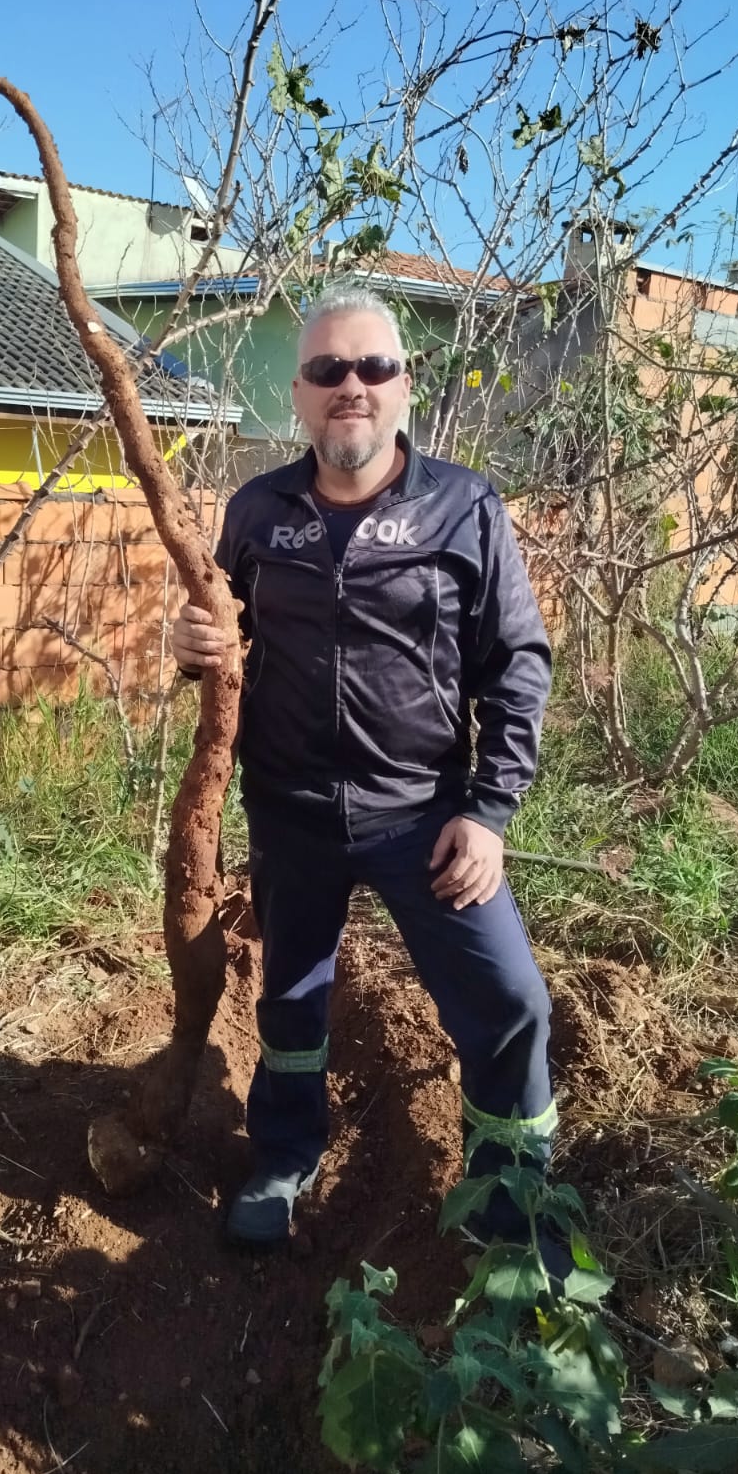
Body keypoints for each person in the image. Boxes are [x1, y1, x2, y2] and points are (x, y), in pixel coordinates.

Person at [172, 286, 559, 1260]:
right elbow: (226, 642)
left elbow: (517, 662)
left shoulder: (463, 507)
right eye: (327, 369)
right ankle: (283, 1155)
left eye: (373, 366)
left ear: (404, 386)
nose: (352, 384)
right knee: (291, 997)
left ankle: (511, 1206)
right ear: (299, 395)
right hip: (291, 811)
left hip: (424, 815)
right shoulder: (258, 511)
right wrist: (192, 648)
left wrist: (490, 811)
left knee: (510, 1002)